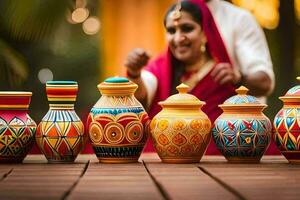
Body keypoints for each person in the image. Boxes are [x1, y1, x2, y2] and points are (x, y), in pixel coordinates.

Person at [124, 0, 275, 154]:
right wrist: (134, 73)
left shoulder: (221, 72)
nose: (178, 38)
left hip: (224, 155)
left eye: (187, 29)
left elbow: (265, 82)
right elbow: (141, 97)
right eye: (171, 31)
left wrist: (238, 79)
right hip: (168, 156)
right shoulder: (162, 67)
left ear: (205, 34)